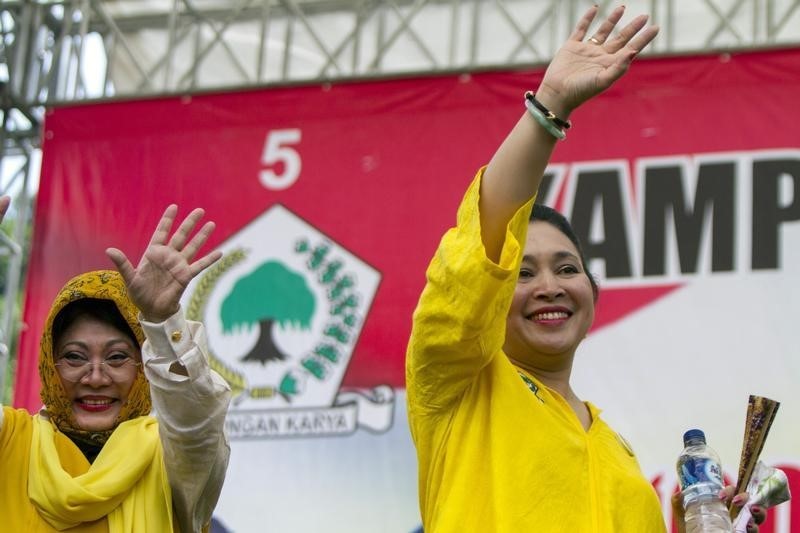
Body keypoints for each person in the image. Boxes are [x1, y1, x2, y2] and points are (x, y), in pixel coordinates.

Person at [406, 6, 764, 533]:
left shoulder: (618, 454)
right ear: (493, 291)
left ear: (592, 290)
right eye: (522, 273)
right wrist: (548, 109)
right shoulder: (456, 381)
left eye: (566, 268)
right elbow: (481, 244)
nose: (549, 287)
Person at [0, 196, 231, 533]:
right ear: (50, 367)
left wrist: (162, 322)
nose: (95, 378)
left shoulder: (175, 461)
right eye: (74, 357)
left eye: (117, 357)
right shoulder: (12, 442)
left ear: (144, 367)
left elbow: (196, 422)